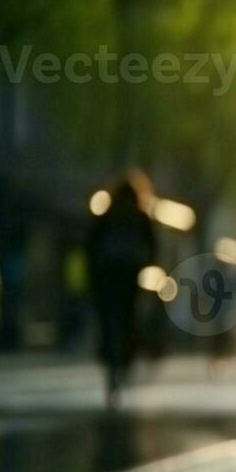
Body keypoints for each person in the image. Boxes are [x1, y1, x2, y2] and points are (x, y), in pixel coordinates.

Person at [87, 172, 157, 402]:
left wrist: (93, 270)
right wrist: (147, 263)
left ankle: (109, 354)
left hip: (106, 273)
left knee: (108, 317)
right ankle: (123, 358)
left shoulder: (108, 213)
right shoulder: (139, 215)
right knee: (128, 317)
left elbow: (91, 242)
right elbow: (151, 245)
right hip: (128, 273)